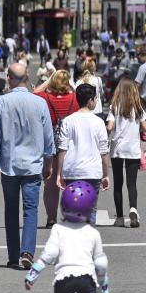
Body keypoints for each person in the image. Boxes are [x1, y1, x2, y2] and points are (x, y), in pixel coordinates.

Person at [0, 63, 55, 271]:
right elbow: (48, 136)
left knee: (10, 209)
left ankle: (13, 254)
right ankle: (27, 252)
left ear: (9, 78)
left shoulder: (1, 103)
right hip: (33, 165)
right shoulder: (39, 103)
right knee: (30, 210)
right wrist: (49, 162)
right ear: (27, 77)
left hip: (9, 164)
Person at [56, 84, 111, 224]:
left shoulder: (68, 120)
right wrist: (106, 174)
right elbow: (104, 151)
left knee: (72, 211)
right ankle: (89, 241)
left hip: (72, 171)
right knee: (90, 211)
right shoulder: (99, 122)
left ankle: (74, 241)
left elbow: (62, 149)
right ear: (90, 101)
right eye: (95, 98)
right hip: (92, 172)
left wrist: (59, 173)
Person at [34, 70, 79, 227]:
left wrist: (49, 80)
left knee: (51, 183)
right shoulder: (74, 98)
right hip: (71, 147)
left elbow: (34, 92)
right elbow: (79, 94)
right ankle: (71, 215)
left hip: (51, 145)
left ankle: (51, 217)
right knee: (71, 182)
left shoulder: (45, 98)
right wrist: (71, 86)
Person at [107, 78, 146, 227]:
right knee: (132, 183)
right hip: (133, 148)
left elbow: (110, 126)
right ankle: (133, 209)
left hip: (118, 148)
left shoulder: (114, 106)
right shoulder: (137, 108)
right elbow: (145, 127)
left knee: (118, 183)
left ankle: (119, 217)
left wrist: (105, 134)